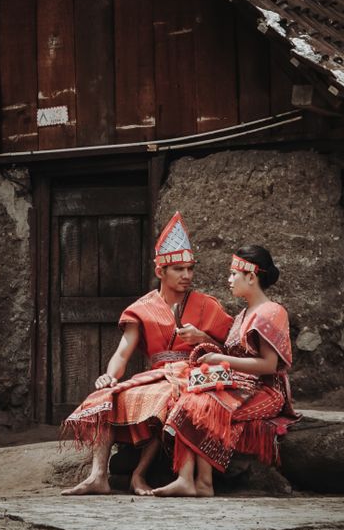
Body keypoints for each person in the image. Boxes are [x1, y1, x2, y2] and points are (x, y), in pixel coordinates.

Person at [60, 212, 233, 495]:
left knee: (166, 399)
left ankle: (139, 475)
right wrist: (110, 376)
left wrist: (202, 338)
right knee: (104, 397)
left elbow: (233, 347)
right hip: (156, 374)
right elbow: (123, 350)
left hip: (190, 375)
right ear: (160, 272)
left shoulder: (207, 305)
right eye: (179, 269)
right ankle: (98, 476)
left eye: (190, 268)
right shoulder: (142, 307)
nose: (187, 275)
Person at [151, 245, 298, 497]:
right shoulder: (243, 314)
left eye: (233, 274)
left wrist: (219, 358)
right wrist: (205, 344)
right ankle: (188, 479)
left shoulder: (272, 311)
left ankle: (203, 483)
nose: (229, 280)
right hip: (239, 383)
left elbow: (268, 366)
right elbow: (235, 355)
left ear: (251, 277)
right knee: (190, 396)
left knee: (206, 404)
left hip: (265, 390)